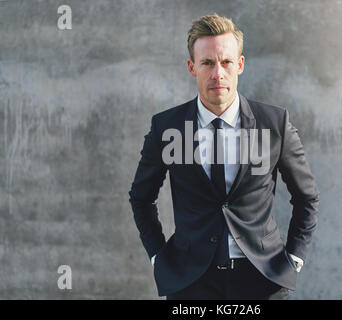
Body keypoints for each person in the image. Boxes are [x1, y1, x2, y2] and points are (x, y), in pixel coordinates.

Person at [128, 13, 319, 300]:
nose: (218, 73)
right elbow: (141, 198)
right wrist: (158, 257)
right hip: (191, 283)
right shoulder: (166, 127)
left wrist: (294, 258)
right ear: (192, 67)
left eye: (226, 62)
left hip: (262, 280)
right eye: (207, 63)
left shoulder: (274, 123)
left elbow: (307, 198)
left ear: (239, 65)